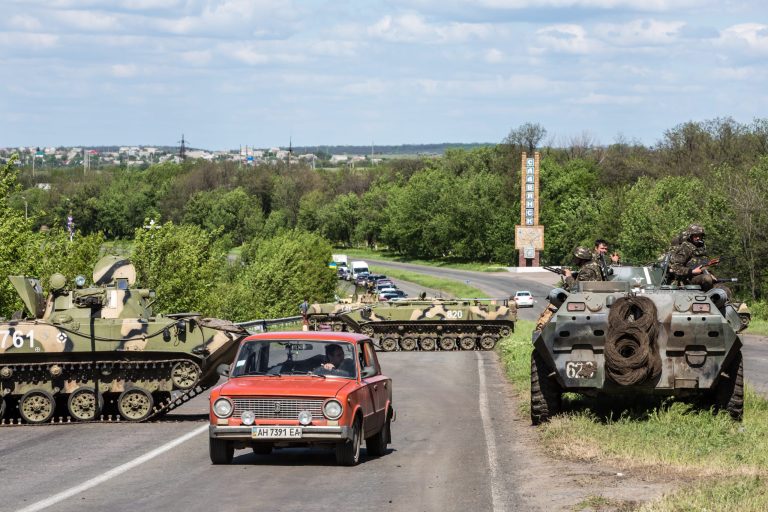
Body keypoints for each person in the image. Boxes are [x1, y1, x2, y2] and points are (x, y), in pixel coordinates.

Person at [535, 246, 603, 333]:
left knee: (555, 293)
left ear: (581, 258)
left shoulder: (587, 270)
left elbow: (576, 290)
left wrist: (569, 276)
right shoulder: (591, 265)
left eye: (575, 257)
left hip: (586, 302)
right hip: (590, 298)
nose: (574, 259)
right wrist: (575, 275)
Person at [668, 224, 717, 291]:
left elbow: (702, 264)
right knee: (707, 279)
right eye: (695, 236)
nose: (698, 238)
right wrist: (692, 271)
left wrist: (709, 271)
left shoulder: (701, 247)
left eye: (700, 235)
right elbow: (675, 267)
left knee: (724, 289)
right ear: (690, 236)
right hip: (687, 279)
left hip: (700, 277)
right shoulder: (686, 248)